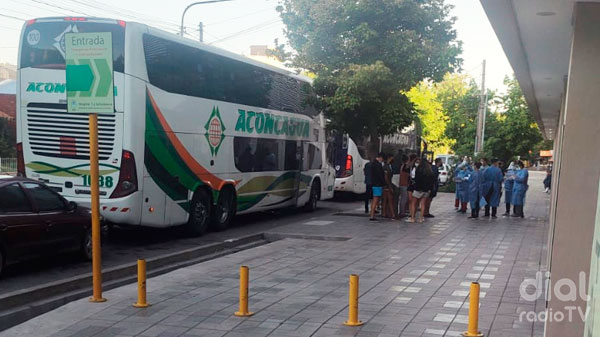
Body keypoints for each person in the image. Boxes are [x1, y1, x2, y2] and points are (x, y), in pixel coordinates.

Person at [408, 157, 435, 223]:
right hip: (426, 190)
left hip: (418, 189)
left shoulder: (419, 170)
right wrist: (429, 189)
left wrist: (418, 187)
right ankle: (421, 218)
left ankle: (412, 218)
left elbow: (417, 180)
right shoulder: (430, 171)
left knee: (414, 203)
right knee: (423, 204)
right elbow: (432, 181)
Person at [369, 153, 386, 221]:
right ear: (380, 157)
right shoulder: (378, 165)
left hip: (374, 183)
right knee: (375, 200)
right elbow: (380, 175)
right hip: (377, 184)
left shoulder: (373, 164)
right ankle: (372, 215)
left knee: (374, 199)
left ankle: (372, 214)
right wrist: (384, 183)